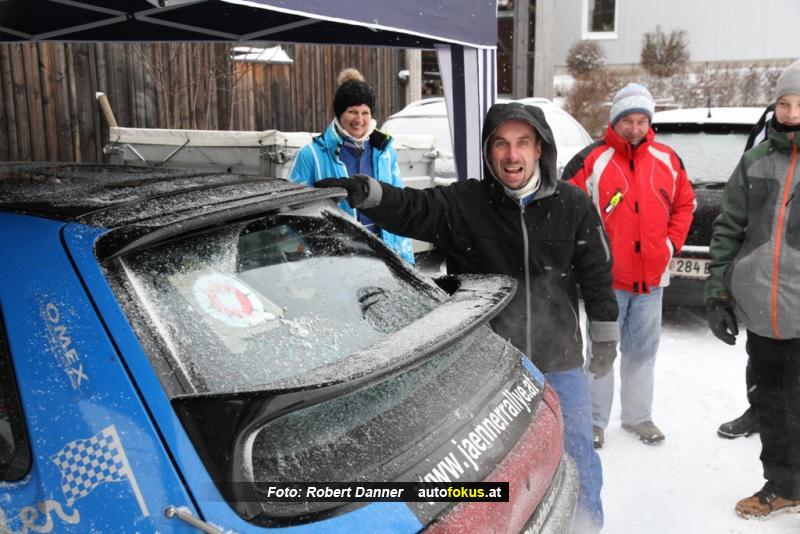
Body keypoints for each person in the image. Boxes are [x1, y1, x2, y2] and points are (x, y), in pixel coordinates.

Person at [316, 102, 620, 533]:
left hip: (560, 362)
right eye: (501, 144)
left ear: (540, 149)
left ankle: (585, 527)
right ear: (488, 150)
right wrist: (368, 191)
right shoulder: (465, 203)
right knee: (494, 471)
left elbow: (597, 276)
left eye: (522, 143)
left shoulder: (572, 204)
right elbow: (412, 206)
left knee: (576, 454)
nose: (511, 156)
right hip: (487, 368)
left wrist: (605, 336)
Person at [563, 83, 695, 448]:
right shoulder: (592, 160)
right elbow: (567, 210)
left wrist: (670, 244)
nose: (634, 128)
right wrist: (587, 256)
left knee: (642, 354)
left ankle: (638, 417)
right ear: (614, 120)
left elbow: (685, 205)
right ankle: (594, 420)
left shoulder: (668, 160)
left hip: (652, 281)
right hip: (606, 284)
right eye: (627, 121)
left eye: (641, 121)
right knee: (601, 354)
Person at [705, 59, 800, 519]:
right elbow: (729, 229)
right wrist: (718, 294)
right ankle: (783, 487)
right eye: (784, 103)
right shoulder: (755, 161)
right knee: (770, 404)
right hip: (761, 312)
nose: (792, 113)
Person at [287, 68, 415, 264]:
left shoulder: (384, 152)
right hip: (335, 259)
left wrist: (406, 260)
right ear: (340, 114)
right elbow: (294, 210)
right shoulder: (311, 154)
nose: (359, 119)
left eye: (365, 112)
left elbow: (399, 207)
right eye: (352, 112)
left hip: (384, 254)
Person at [715, 102, 776, 440]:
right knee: (761, 351)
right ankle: (759, 411)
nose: (791, 111)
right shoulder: (768, 122)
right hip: (761, 267)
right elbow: (736, 214)